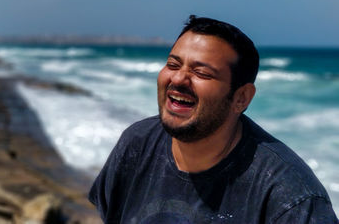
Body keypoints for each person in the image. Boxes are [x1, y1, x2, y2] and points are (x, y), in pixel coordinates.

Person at [89, 15, 338, 223]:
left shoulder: (289, 196)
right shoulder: (137, 144)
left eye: (201, 72)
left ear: (241, 98)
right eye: (173, 65)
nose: (178, 79)